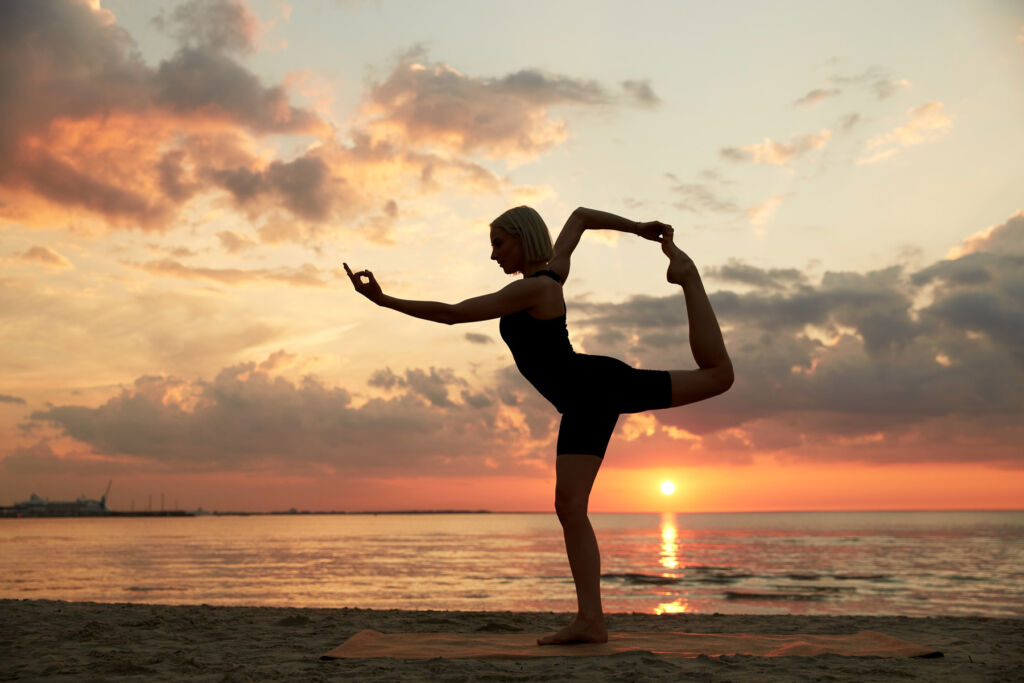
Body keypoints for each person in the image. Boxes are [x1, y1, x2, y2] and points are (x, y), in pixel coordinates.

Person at [344, 206, 733, 645]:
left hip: (591, 389)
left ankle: (688, 276)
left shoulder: (533, 290)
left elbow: (453, 313)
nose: (493, 255)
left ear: (522, 239)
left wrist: (383, 300)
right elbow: (581, 217)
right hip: (588, 393)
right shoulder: (552, 275)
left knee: (716, 379)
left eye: (498, 244)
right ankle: (590, 620)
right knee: (572, 503)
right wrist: (638, 228)